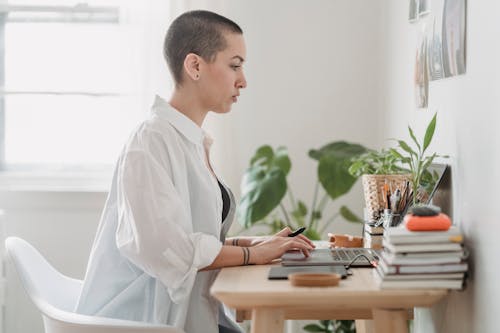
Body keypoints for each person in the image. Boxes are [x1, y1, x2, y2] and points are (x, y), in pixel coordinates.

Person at [74, 10, 314, 333]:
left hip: (200, 314)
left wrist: (256, 244)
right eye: (235, 65)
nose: (243, 80)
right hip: (146, 323)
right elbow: (170, 249)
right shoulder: (149, 143)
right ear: (195, 66)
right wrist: (251, 256)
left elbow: (197, 236)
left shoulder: (191, 142)